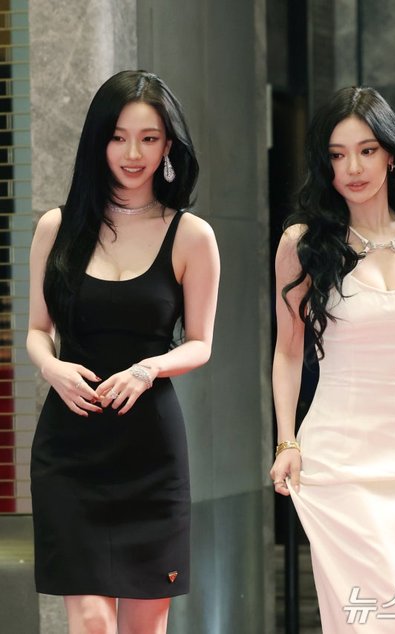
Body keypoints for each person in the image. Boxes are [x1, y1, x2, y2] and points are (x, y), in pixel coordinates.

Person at [27, 70, 220, 634]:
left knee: (143, 627)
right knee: (90, 621)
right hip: (70, 449)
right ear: (98, 141)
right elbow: (36, 329)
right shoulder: (57, 228)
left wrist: (147, 368)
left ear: (168, 146)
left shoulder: (191, 235)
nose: (133, 154)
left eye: (149, 138)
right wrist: (52, 367)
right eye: (118, 137)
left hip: (150, 452)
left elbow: (201, 343)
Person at [270, 86, 395, 632]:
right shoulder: (304, 243)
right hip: (339, 460)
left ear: (392, 155)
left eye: (366, 150)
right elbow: (287, 352)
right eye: (337, 154)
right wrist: (287, 441)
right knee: (361, 618)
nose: (352, 167)